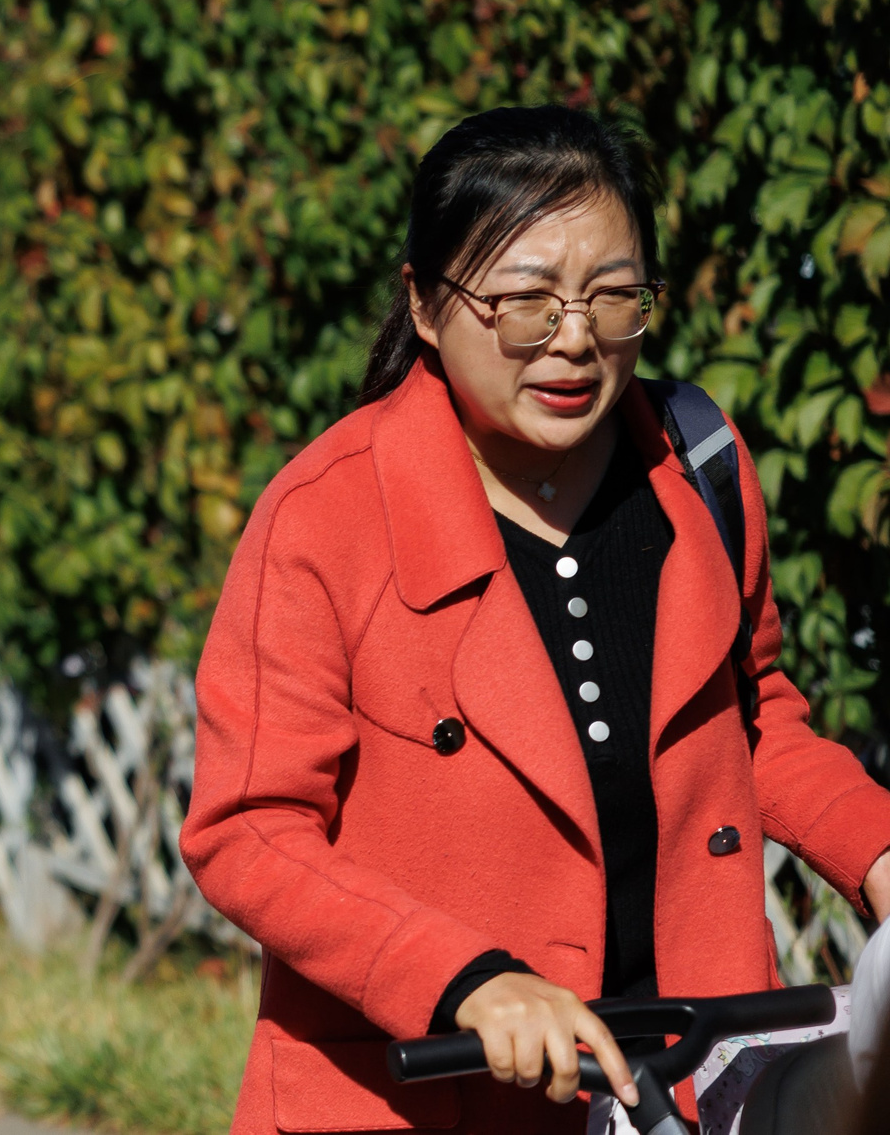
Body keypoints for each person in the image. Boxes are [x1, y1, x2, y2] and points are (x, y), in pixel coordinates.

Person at [180, 104, 890, 1133]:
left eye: (612, 298)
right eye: (524, 302)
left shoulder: (694, 464)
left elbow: (749, 719)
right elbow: (247, 831)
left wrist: (874, 848)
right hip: (426, 1090)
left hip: (688, 1075)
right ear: (425, 306)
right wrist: (462, 979)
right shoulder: (325, 517)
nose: (572, 342)